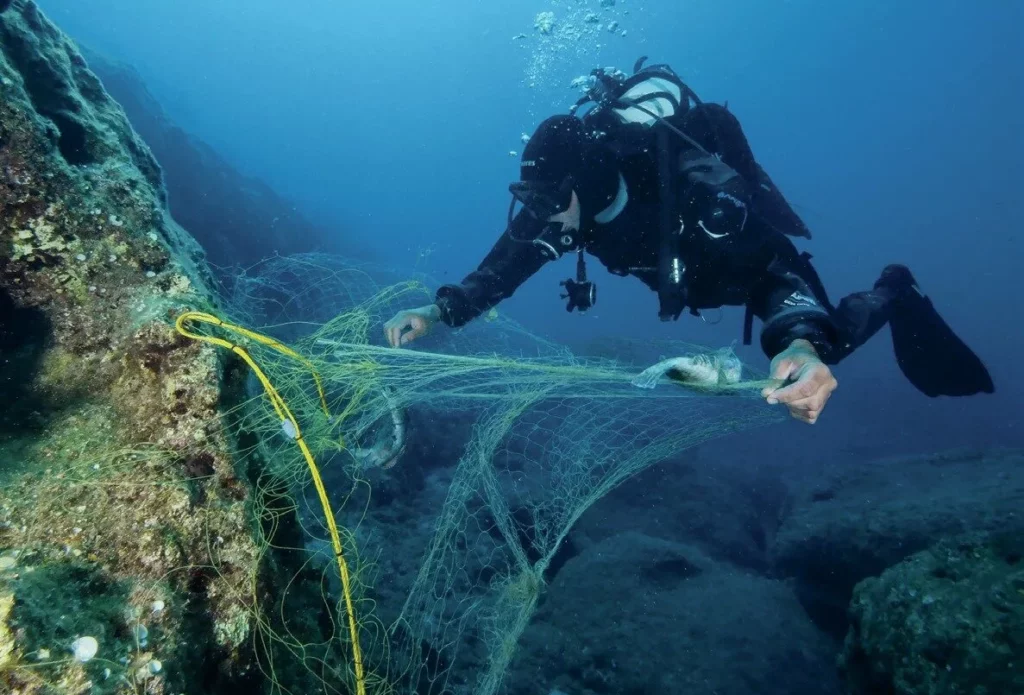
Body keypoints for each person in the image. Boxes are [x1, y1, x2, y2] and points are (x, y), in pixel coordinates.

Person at [384, 60, 993, 424]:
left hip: (738, 270)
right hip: (685, 274)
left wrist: (804, 345)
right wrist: (437, 312)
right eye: (531, 202)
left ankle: (893, 289)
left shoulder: (694, 191)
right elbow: (507, 264)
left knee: (821, 350)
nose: (541, 219)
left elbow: (777, 270)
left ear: (589, 183)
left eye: (548, 202)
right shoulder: (567, 211)